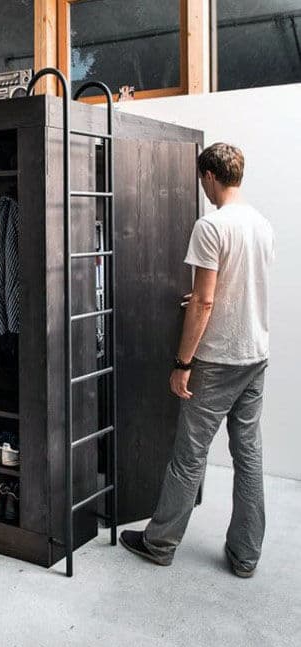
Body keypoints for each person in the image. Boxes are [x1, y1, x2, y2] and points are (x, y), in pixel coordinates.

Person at [119, 142, 274, 578]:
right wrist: (206, 299)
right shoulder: (262, 225)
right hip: (255, 356)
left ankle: (159, 543)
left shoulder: (211, 226)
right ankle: (246, 557)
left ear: (209, 177)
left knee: (189, 457)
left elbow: (205, 302)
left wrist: (182, 362)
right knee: (249, 456)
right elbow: (240, 285)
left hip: (217, 360)